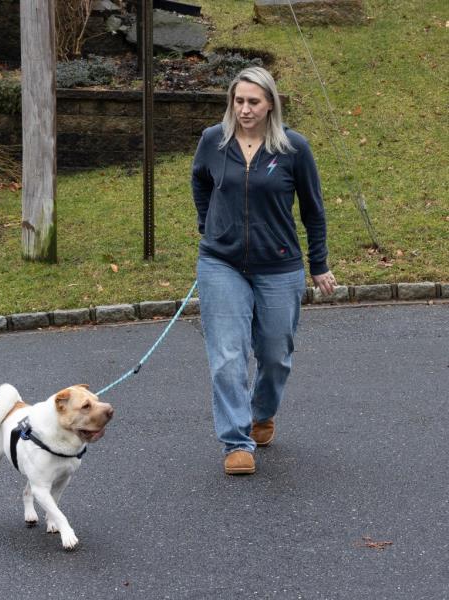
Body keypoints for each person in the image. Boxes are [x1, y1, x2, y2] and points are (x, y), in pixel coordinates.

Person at [191, 66, 336, 475]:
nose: (244, 109)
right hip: (221, 263)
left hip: (279, 265)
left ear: (270, 103)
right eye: (238, 101)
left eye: (253, 101)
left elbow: (313, 211)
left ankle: (262, 413)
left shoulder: (293, 148)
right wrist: (209, 225)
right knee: (226, 356)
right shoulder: (213, 142)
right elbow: (199, 181)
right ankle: (237, 442)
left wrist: (319, 264)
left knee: (274, 353)